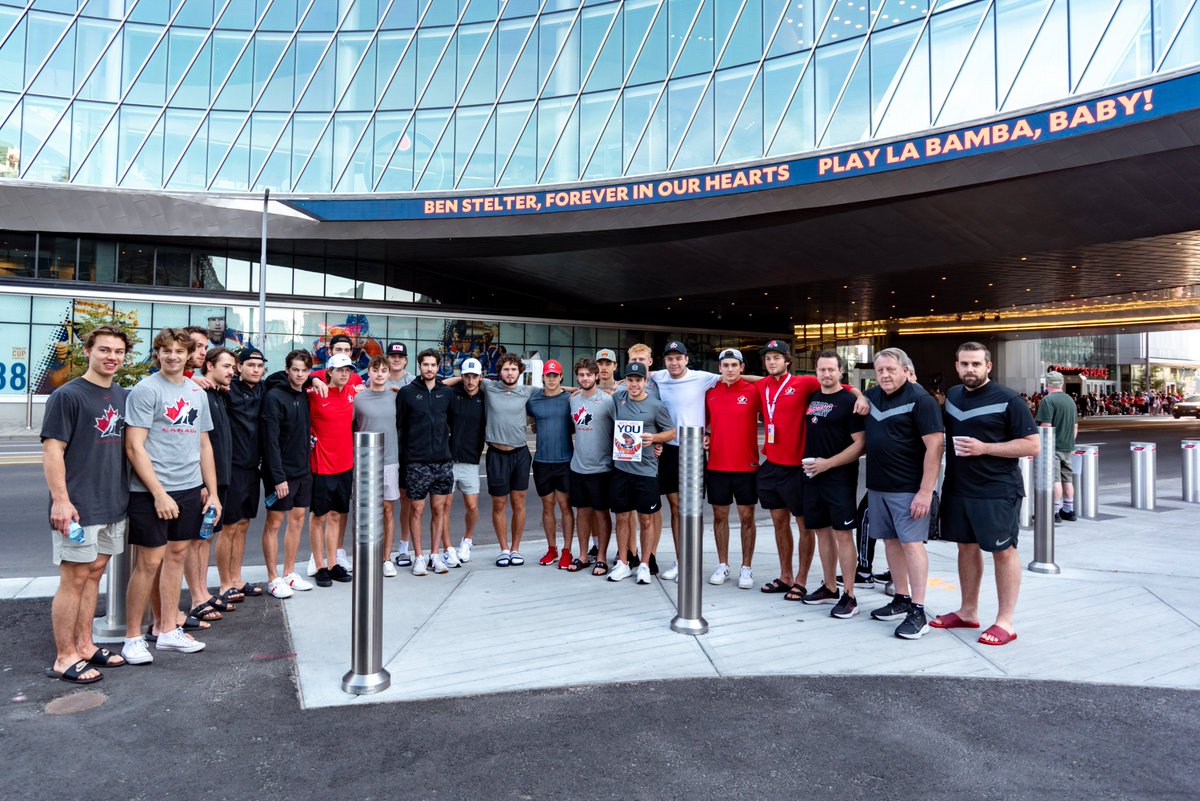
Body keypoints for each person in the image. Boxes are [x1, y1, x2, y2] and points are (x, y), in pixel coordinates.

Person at [123, 327, 221, 660]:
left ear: (191, 354)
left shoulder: (197, 393)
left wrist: (213, 492)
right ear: (158, 354)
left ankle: (167, 630)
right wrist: (159, 494)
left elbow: (204, 444)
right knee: (149, 562)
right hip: (152, 492)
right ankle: (133, 636)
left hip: (189, 489)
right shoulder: (145, 390)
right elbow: (134, 447)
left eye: (180, 351)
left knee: (177, 556)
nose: (173, 356)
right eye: (166, 351)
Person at [933, 342, 1039, 646]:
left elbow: (1032, 445)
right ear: (956, 365)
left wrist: (985, 448)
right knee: (965, 547)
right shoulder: (952, 396)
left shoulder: (1009, 401)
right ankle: (968, 612)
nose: (970, 370)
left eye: (976, 364)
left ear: (988, 367)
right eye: (964, 364)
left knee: (1002, 552)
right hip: (957, 487)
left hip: (996, 490)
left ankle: (1005, 621)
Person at [42, 324, 132, 682]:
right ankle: (64, 657)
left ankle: (85, 645)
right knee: (74, 578)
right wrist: (61, 501)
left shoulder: (123, 396)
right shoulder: (67, 396)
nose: (111, 357)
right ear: (88, 352)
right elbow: (52, 452)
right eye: (104, 350)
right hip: (79, 507)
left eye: (118, 352)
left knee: (94, 575)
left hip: (114, 502)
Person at [755, 339, 849, 600]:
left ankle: (801, 580)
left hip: (798, 467)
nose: (772, 362)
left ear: (788, 361)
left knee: (805, 525)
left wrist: (862, 397)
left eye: (777, 357)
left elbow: (843, 388)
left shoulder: (805, 383)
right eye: (768, 358)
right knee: (778, 523)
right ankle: (785, 576)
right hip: (772, 465)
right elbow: (745, 379)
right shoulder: (761, 386)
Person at [863, 347, 944, 640]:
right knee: (891, 542)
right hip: (878, 486)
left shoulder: (921, 400)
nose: (885, 375)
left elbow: (935, 447)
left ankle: (918, 610)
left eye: (890, 370)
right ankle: (901, 598)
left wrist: (925, 491)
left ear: (905, 370)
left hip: (909, 489)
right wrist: (860, 398)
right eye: (880, 370)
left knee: (912, 545)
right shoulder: (871, 398)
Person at [799, 351, 866, 618]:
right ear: (815, 372)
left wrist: (828, 463)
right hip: (813, 476)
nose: (826, 374)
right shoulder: (814, 397)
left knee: (842, 534)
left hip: (839, 477)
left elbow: (861, 444)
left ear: (841, 372)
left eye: (831, 370)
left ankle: (849, 594)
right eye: (821, 370)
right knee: (822, 532)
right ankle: (829, 587)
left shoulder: (849, 400)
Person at [183, 347, 237, 624]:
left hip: (221, 478)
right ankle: (196, 598)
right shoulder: (198, 393)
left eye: (232, 367)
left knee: (206, 537)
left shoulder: (219, 394)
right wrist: (203, 483)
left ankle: (203, 592)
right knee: (195, 540)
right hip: (204, 481)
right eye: (226, 366)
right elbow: (195, 442)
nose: (231, 372)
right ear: (210, 366)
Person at [608, 362, 675, 584]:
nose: (634, 384)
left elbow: (671, 432)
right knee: (622, 518)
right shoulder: (618, 398)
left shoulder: (656, 405)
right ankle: (624, 563)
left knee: (646, 520)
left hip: (646, 471)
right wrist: (574, 391)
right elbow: (598, 391)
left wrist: (655, 439)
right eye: (630, 380)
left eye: (638, 380)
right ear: (625, 381)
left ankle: (645, 564)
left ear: (645, 382)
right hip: (621, 469)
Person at [260, 349, 316, 599]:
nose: (300, 374)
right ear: (287, 370)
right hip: (281, 473)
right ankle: (273, 578)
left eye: (305, 370)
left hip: (303, 470)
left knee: (298, 520)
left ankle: (289, 572)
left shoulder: (304, 394)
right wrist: (278, 477)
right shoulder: (274, 396)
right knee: (275, 524)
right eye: (296, 370)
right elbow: (269, 441)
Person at [704, 348, 760, 590]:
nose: (729, 369)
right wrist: (706, 435)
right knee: (719, 516)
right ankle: (723, 564)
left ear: (742, 368)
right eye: (725, 365)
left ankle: (746, 567)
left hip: (746, 465)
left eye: (734, 365)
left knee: (747, 517)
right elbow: (704, 422)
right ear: (719, 368)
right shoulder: (710, 393)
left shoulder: (753, 391)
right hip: (717, 464)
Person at [395, 348, 455, 575]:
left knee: (439, 509)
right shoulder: (407, 392)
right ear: (419, 366)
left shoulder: (446, 393)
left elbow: (453, 425)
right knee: (417, 510)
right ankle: (418, 557)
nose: (429, 368)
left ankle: (434, 555)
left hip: (442, 462)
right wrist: (403, 460)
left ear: (438, 367)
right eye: (425, 364)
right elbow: (399, 427)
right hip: (416, 461)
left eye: (433, 365)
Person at [216, 347, 267, 603]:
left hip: (252, 468)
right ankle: (225, 584)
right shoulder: (227, 390)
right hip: (231, 467)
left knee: (244, 525)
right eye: (250, 365)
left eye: (259, 366)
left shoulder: (264, 388)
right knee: (229, 527)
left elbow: (284, 377)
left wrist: (314, 378)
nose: (255, 369)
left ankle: (237, 578)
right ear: (239, 367)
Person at [479, 353, 535, 566]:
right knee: (499, 504)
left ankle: (515, 549)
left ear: (520, 372)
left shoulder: (527, 391)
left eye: (513, 369)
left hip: (520, 453)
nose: (510, 373)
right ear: (499, 371)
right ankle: (503, 549)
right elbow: (463, 377)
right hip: (496, 454)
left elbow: (556, 390)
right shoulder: (489, 387)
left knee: (519, 502)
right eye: (506, 369)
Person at [308, 353, 358, 587]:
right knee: (319, 517)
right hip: (322, 465)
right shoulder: (315, 393)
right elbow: (283, 379)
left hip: (345, 464)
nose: (344, 374)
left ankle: (332, 563)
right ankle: (319, 566)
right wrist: (312, 379)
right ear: (329, 372)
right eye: (339, 370)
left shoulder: (351, 392)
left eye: (347, 370)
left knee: (337, 516)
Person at [355, 356, 402, 577]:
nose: (380, 374)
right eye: (376, 370)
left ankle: (386, 558)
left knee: (387, 510)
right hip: (365, 462)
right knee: (365, 513)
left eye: (384, 370)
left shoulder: (396, 397)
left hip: (390, 460)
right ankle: (365, 557)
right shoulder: (358, 398)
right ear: (369, 372)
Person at [569, 358, 616, 575]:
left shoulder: (608, 401)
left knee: (601, 514)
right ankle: (582, 555)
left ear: (596, 376)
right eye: (581, 375)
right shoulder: (574, 400)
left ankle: (602, 557)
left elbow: (623, 427)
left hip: (602, 469)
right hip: (578, 467)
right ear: (577, 377)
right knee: (582, 513)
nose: (585, 378)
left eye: (589, 374)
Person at [527, 359, 576, 568]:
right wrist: (533, 425)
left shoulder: (570, 399)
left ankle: (567, 550)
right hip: (542, 462)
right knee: (547, 507)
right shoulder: (534, 400)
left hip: (565, 461)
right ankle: (551, 549)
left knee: (565, 506)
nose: (552, 379)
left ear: (561, 377)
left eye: (555, 375)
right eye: (549, 375)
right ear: (543, 377)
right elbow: (530, 420)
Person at [448, 357, 487, 564]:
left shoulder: (486, 397)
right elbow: (436, 384)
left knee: (472, 506)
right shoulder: (452, 394)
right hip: (448, 460)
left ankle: (467, 540)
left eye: (474, 376)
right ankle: (446, 547)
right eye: (466, 376)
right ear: (461, 376)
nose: (470, 380)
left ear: (481, 377)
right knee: (443, 507)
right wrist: (456, 380)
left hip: (471, 461)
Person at [1035, 370, 1079, 522]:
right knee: (1067, 479)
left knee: (1055, 480)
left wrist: (1041, 446)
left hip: (1053, 447)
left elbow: (1046, 425)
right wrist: (1070, 444)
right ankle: (1069, 510)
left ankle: (1053, 512)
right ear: (1061, 384)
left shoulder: (1048, 401)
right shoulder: (1070, 401)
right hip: (1068, 447)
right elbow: (1075, 426)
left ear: (1047, 384)